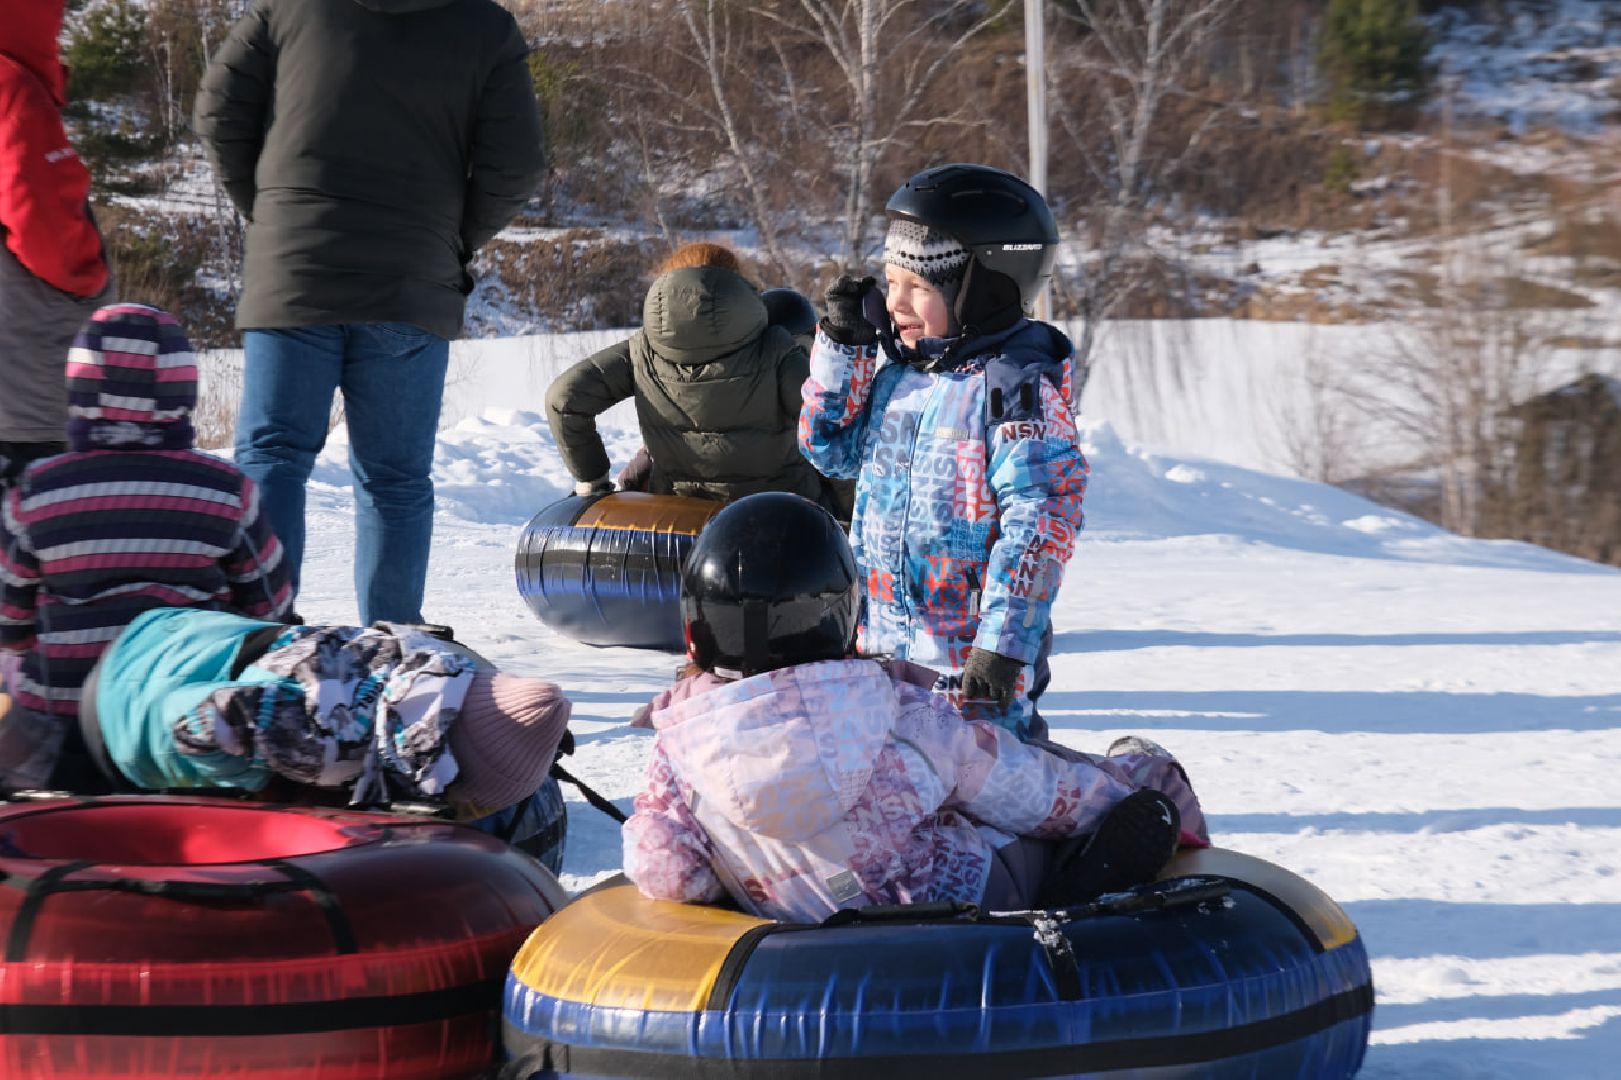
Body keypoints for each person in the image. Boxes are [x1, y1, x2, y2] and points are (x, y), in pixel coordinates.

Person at [622, 494, 1207, 921]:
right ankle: (1079, 882)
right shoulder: (902, 718)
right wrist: (1119, 797)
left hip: (797, 932)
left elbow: (666, 869)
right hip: (949, 914)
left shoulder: (678, 749)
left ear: (695, 633)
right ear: (845, 620)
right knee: (1043, 818)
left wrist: (743, 879)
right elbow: (1038, 794)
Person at [193, 0, 546, 626]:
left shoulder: (288, 9)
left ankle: (262, 638)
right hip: (412, 281)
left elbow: (219, 110)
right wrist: (451, 237)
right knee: (396, 478)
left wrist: (272, 213)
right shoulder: (484, 26)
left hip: (295, 269)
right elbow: (515, 164)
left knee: (273, 456)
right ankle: (395, 645)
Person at [799, 163, 1087, 738]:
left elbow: (1042, 521)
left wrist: (1003, 644)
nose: (896, 302)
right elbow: (827, 450)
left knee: (978, 802)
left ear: (983, 292)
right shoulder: (899, 375)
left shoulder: (1015, 390)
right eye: (891, 281)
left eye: (920, 287)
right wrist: (844, 351)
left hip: (970, 674)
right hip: (877, 653)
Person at [0, 304, 293, 794]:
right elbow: (271, 609)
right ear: (183, 392)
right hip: (174, 723)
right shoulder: (225, 490)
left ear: (79, 389)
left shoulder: (37, 492)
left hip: (60, 725)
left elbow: (10, 624)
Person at [86, 607, 573, 870]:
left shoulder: (421, 677)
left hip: (178, 632)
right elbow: (194, 718)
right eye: (470, 805)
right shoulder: (330, 743)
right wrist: (246, 762)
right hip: (123, 709)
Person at [546, 243, 827, 505]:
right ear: (737, 286)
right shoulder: (775, 347)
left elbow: (564, 398)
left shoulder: (641, 350)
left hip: (675, 516)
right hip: (780, 513)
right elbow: (826, 426)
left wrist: (592, 480)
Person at [0, 0, 114, 490]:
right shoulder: (12, 87)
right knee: (33, 549)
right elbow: (39, 212)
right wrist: (90, 281)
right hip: (21, 394)